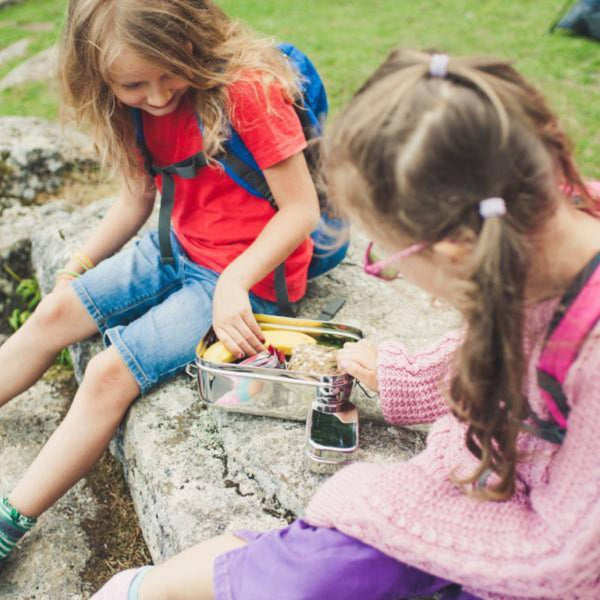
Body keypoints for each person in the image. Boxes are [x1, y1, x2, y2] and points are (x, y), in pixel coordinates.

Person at [91, 47, 600, 600]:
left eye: (389, 259)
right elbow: (516, 344)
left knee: (326, 566)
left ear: (457, 248)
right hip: (492, 485)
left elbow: (566, 562)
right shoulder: (541, 225)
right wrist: (413, 375)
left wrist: (381, 513)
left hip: (524, 544)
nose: (381, 266)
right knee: (318, 567)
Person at [0, 0, 322, 566]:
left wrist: (235, 284)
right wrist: (77, 267)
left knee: (107, 373)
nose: (155, 95)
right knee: (52, 314)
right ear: (100, 76)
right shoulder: (125, 107)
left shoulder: (248, 89)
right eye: (134, 84)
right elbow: (137, 199)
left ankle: (9, 523)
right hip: (175, 245)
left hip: (243, 275)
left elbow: (300, 210)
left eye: (170, 72)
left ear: (194, 40)